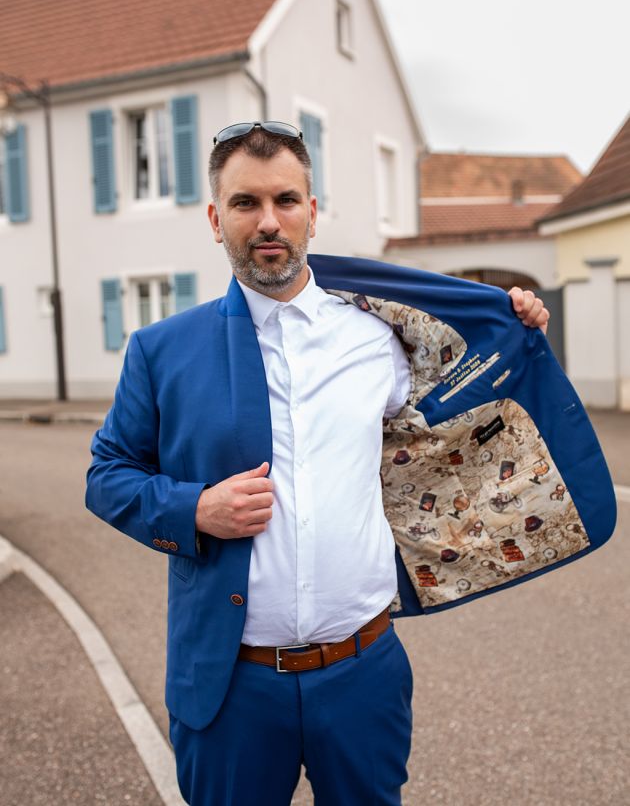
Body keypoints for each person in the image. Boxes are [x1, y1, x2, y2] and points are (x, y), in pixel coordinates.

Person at [86, 121, 550, 806]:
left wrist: (512, 319)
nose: (268, 221)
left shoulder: (379, 336)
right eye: (245, 203)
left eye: (286, 201)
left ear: (312, 212)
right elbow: (107, 475)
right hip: (230, 686)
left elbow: (466, 394)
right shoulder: (160, 350)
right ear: (216, 220)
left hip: (361, 675)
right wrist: (194, 509)